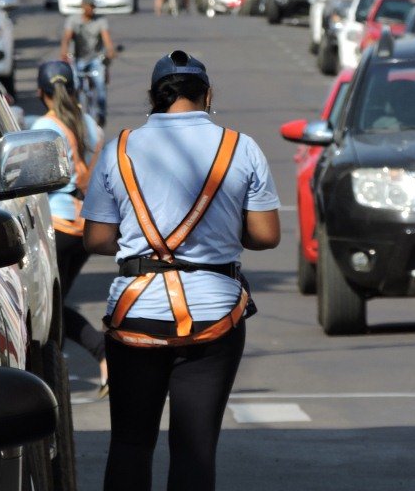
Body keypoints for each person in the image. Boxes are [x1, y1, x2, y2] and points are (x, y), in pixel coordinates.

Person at [82, 50, 281, 491]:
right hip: (215, 316)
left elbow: (96, 240)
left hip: (136, 313)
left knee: (131, 444)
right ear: (208, 95)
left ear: (153, 98)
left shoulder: (120, 148)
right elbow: (266, 235)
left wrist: (141, 244)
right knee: (195, 449)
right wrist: (222, 236)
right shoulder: (240, 147)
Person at [31, 61, 108, 396]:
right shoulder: (92, 126)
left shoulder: (42, 127)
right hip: (84, 229)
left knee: (48, 309)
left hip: (56, 227)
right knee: (54, 307)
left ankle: (101, 353)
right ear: (76, 88)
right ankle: (96, 357)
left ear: (40, 92)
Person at [60, 0, 116, 125]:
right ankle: (76, 114)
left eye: (93, 6)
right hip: (78, 58)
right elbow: (66, 38)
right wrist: (64, 53)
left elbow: (107, 40)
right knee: (75, 85)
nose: (92, 9)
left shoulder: (100, 21)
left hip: (95, 59)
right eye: (90, 6)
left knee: (100, 85)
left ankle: (101, 115)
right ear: (83, 6)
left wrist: (110, 52)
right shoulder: (73, 20)